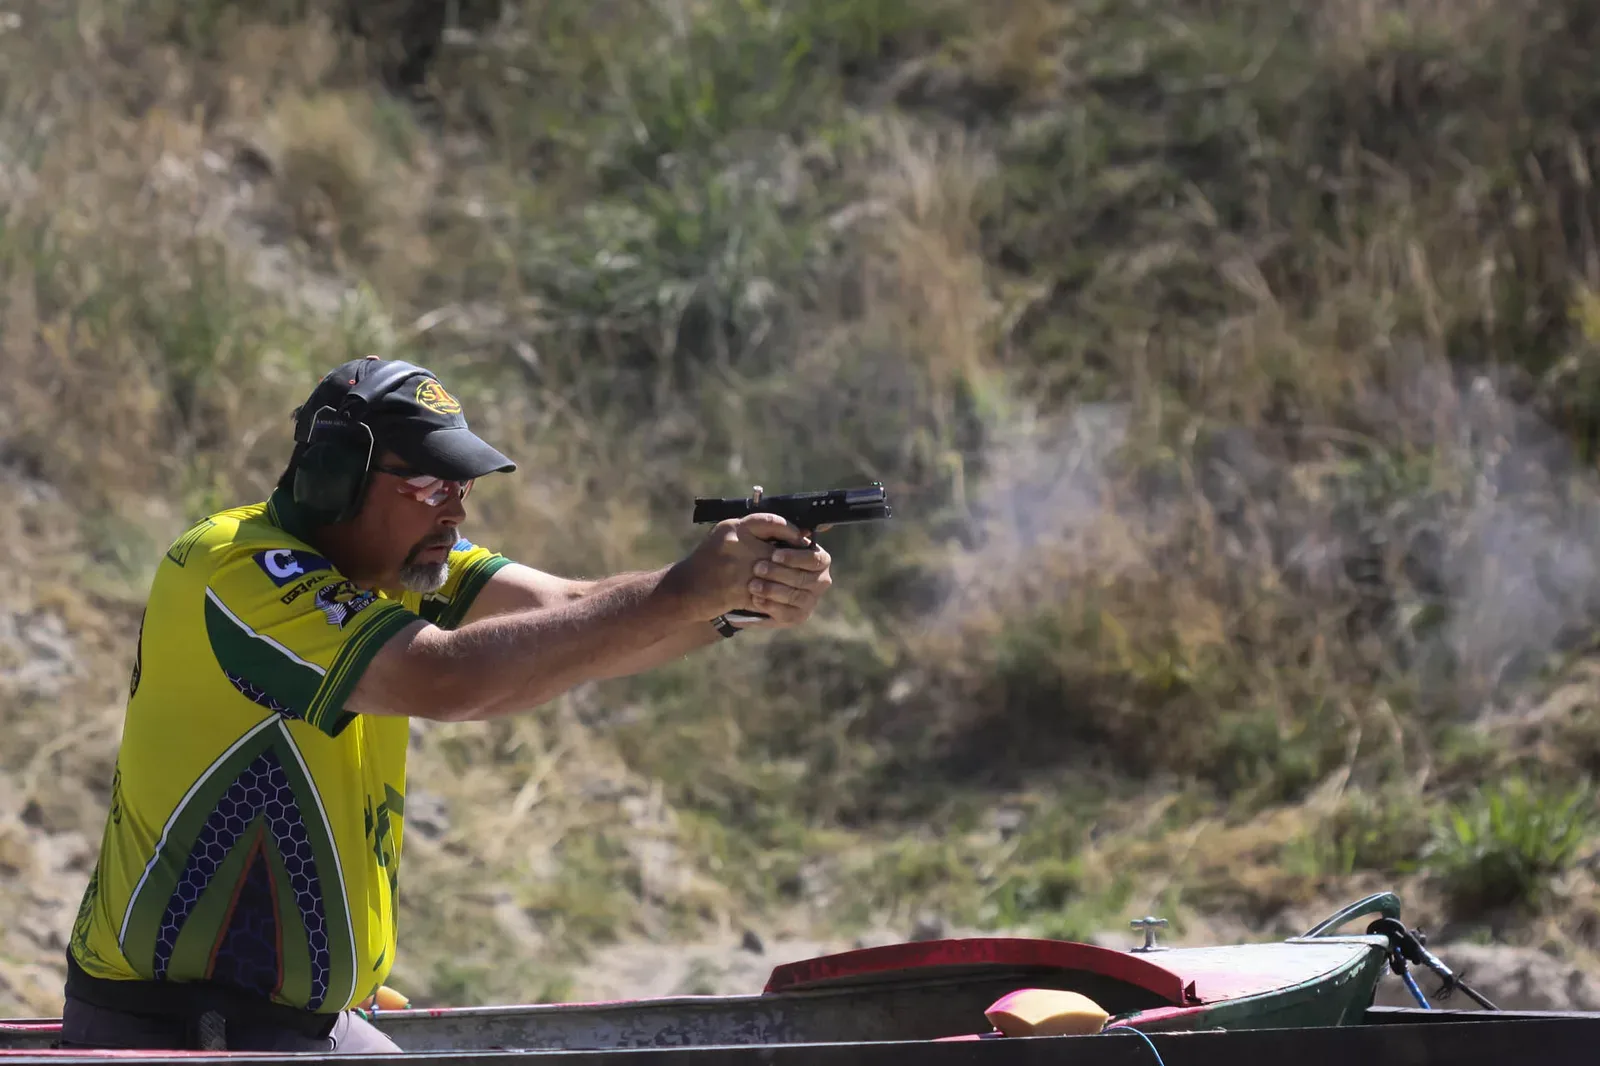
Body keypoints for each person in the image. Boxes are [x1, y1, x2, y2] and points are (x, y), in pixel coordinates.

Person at [60, 356, 834, 1052]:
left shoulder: (401, 564)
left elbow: (569, 606)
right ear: (333, 477)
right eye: (431, 487)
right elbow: (447, 681)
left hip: (291, 1024)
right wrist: (683, 594)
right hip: (181, 1028)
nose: (455, 513)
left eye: (461, 488)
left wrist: (737, 601)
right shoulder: (234, 568)